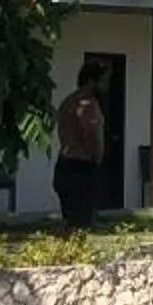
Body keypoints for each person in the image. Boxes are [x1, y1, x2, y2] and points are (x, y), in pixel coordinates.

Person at [54, 60, 108, 229]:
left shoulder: (67, 102)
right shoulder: (89, 105)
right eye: (104, 81)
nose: (106, 87)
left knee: (69, 223)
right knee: (82, 225)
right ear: (92, 82)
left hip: (63, 165)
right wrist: (98, 158)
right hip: (81, 169)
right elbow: (91, 136)